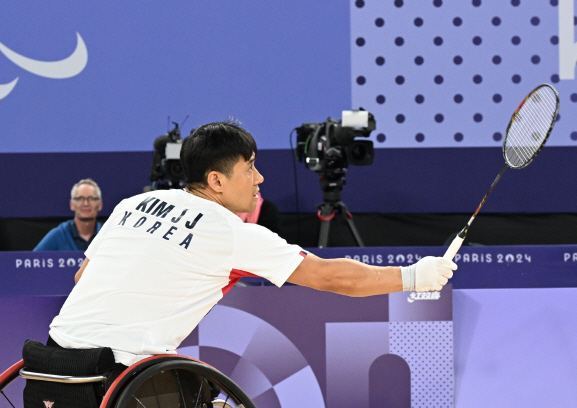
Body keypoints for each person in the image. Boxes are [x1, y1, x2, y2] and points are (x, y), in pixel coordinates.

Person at [48, 121, 457, 366]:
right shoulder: (232, 233)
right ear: (216, 180)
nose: (259, 178)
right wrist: (414, 275)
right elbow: (331, 277)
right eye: (250, 168)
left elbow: (84, 275)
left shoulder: (133, 204)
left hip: (52, 358)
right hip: (121, 372)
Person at [34, 178, 104, 251]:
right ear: (71, 204)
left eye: (92, 198)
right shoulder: (58, 235)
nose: (86, 203)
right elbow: (34, 260)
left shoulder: (109, 235)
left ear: (100, 204)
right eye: (80, 198)